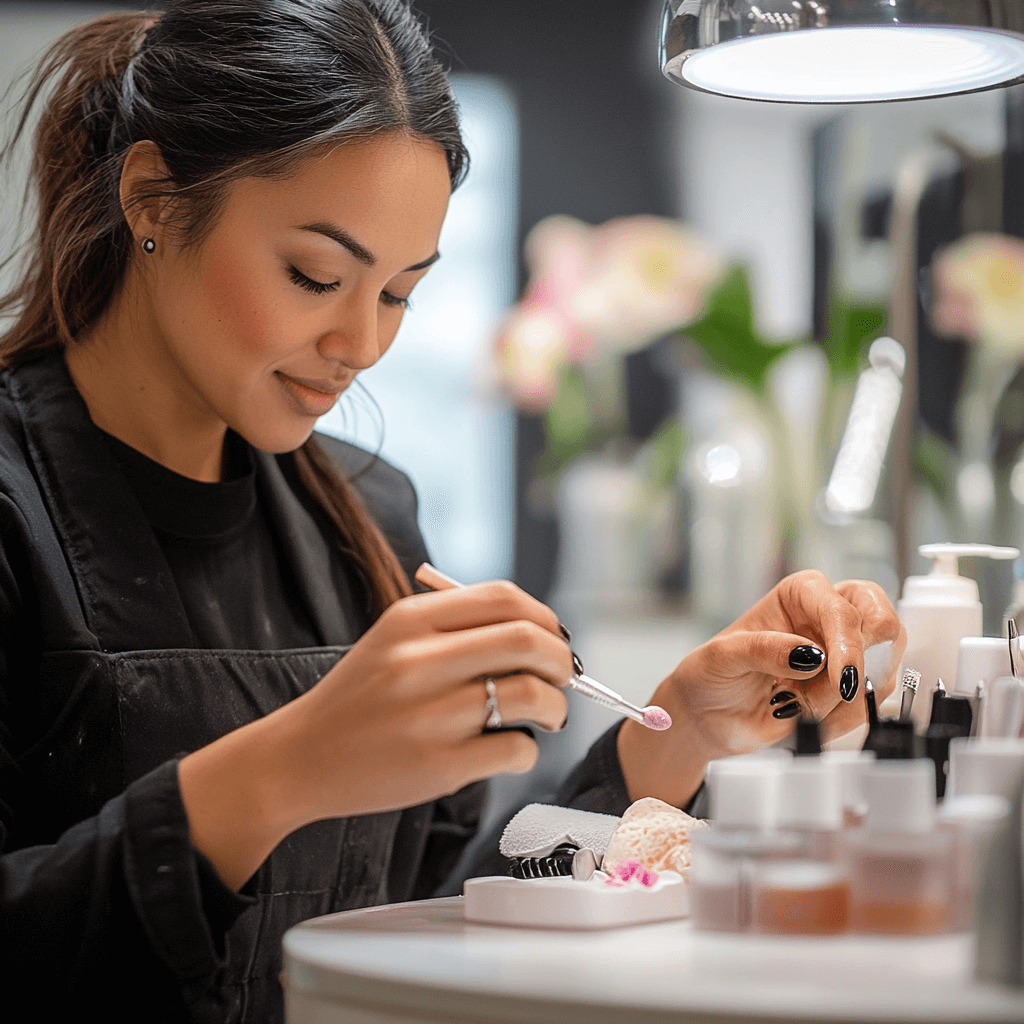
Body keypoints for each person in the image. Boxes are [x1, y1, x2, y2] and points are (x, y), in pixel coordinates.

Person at [0, 1, 905, 1020]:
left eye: (398, 293)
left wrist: (675, 736)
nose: (361, 342)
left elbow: (431, 917)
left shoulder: (370, 518)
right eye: (315, 275)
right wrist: (282, 770)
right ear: (153, 200)